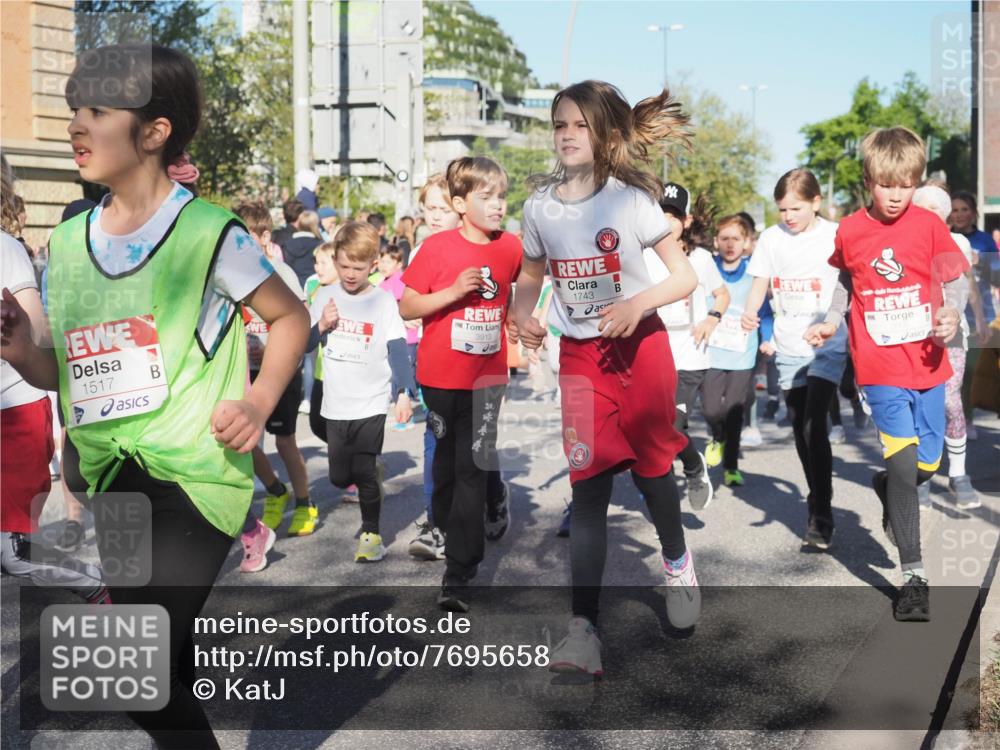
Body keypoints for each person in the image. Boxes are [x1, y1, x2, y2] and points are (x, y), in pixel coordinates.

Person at [1, 45, 310, 748]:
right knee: (161, 658)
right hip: (114, 477)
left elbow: (290, 317)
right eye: (75, 109)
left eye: (98, 110)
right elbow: (71, 373)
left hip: (196, 474)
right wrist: (22, 351)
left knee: (128, 669)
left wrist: (260, 403)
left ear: (154, 131)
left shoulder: (207, 232)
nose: (76, 125)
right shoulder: (71, 239)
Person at [510, 80, 700, 676]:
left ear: (607, 136)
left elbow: (685, 277)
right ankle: (582, 630)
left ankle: (676, 563)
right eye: (558, 125)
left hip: (640, 351)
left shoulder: (632, 201)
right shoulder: (539, 206)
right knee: (587, 485)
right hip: (582, 358)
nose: (566, 135)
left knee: (651, 471)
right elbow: (531, 277)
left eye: (579, 126)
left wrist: (637, 305)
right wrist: (523, 315)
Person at [806, 126, 969, 622]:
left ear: (915, 182)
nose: (896, 195)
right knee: (904, 467)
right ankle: (914, 577)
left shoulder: (929, 226)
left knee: (927, 464)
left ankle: (886, 487)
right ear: (868, 180)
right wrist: (832, 319)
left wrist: (952, 315)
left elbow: (955, 279)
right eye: (886, 184)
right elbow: (844, 279)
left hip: (929, 363)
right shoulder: (851, 229)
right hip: (878, 367)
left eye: (905, 184)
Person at [400, 156, 520, 611]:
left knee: (471, 465)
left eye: (501, 197)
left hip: (488, 378)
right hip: (439, 378)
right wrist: (452, 292)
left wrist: (519, 322)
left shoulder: (510, 246)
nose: (497, 206)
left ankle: (459, 573)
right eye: (486, 197)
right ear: (460, 203)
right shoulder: (435, 249)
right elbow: (407, 307)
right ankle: (480, 506)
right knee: (447, 469)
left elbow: (521, 287)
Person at [1, 158, 109, 605]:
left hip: (14, 409)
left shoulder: (5, 248)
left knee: (11, 554)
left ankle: (95, 583)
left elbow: (39, 331)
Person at [742, 169, 847, 551]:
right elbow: (759, 283)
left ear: (816, 203)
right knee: (800, 428)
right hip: (788, 345)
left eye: (796, 208)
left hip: (826, 342)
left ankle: (822, 514)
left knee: (813, 423)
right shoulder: (771, 238)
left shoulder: (835, 235)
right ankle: (817, 496)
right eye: (783, 209)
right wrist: (750, 314)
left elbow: (850, 282)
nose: (788, 216)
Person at [312, 222, 415, 562]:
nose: (350, 274)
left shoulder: (383, 301)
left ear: (373, 264)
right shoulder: (325, 295)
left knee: (365, 470)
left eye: (358, 268)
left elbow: (398, 348)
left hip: (371, 401)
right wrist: (321, 326)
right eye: (343, 266)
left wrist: (404, 392)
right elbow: (304, 343)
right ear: (336, 259)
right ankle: (369, 473)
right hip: (335, 402)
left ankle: (371, 534)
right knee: (340, 477)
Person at [233, 200, 315, 551]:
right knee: (244, 440)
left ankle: (304, 501)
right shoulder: (232, 272)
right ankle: (276, 490)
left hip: (282, 373)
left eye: (244, 238)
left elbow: (298, 321)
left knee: (285, 442)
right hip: (247, 372)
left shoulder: (280, 273)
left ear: (265, 236)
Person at [646, 186, 729, 509]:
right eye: (661, 214)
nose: (667, 222)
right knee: (653, 430)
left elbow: (722, 295)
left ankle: (693, 468)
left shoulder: (701, 259)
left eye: (674, 216)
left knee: (672, 425)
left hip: (689, 356)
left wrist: (711, 318)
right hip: (652, 355)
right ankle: (664, 504)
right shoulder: (643, 256)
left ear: (687, 220)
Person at [912, 185, 982, 510]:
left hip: (951, 334)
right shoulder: (902, 245)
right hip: (912, 336)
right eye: (920, 210)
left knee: (951, 402)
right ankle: (922, 477)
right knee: (919, 408)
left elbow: (966, 287)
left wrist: (976, 319)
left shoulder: (958, 243)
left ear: (945, 217)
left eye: (934, 211)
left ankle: (958, 475)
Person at [406, 174, 461, 561]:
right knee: (435, 444)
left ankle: (493, 499)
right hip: (436, 365)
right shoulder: (420, 252)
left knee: (477, 451)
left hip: (479, 368)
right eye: (430, 209)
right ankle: (436, 525)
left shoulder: (483, 246)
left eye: (443, 208)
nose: (436, 216)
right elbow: (409, 307)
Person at [704, 214, 773, 487]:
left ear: (746, 243)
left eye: (736, 239)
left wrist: (767, 338)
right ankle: (718, 436)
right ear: (715, 242)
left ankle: (731, 467)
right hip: (711, 352)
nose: (730, 244)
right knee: (710, 409)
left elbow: (765, 313)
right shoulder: (708, 270)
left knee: (735, 410)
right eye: (724, 238)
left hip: (743, 354)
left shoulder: (755, 274)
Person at [949, 190, 998, 441]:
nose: (959, 215)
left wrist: (981, 262)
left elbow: (997, 278)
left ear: (974, 213)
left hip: (982, 316)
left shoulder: (985, 241)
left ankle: (971, 416)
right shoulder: (944, 238)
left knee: (976, 370)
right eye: (955, 210)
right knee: (960, 373)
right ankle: (963, 418)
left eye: (964, 209)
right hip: (953, 316)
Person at [379, 244, 419, 431]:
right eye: (381, 260)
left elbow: (405, 306)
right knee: (396, 377)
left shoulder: (400, 280)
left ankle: (406, 415)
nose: (383, 265)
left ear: (399, 263)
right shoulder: (382, 282)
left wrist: (407, 318)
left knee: (402, 377)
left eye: (388, 261)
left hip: (407, 339)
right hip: (389, 339)